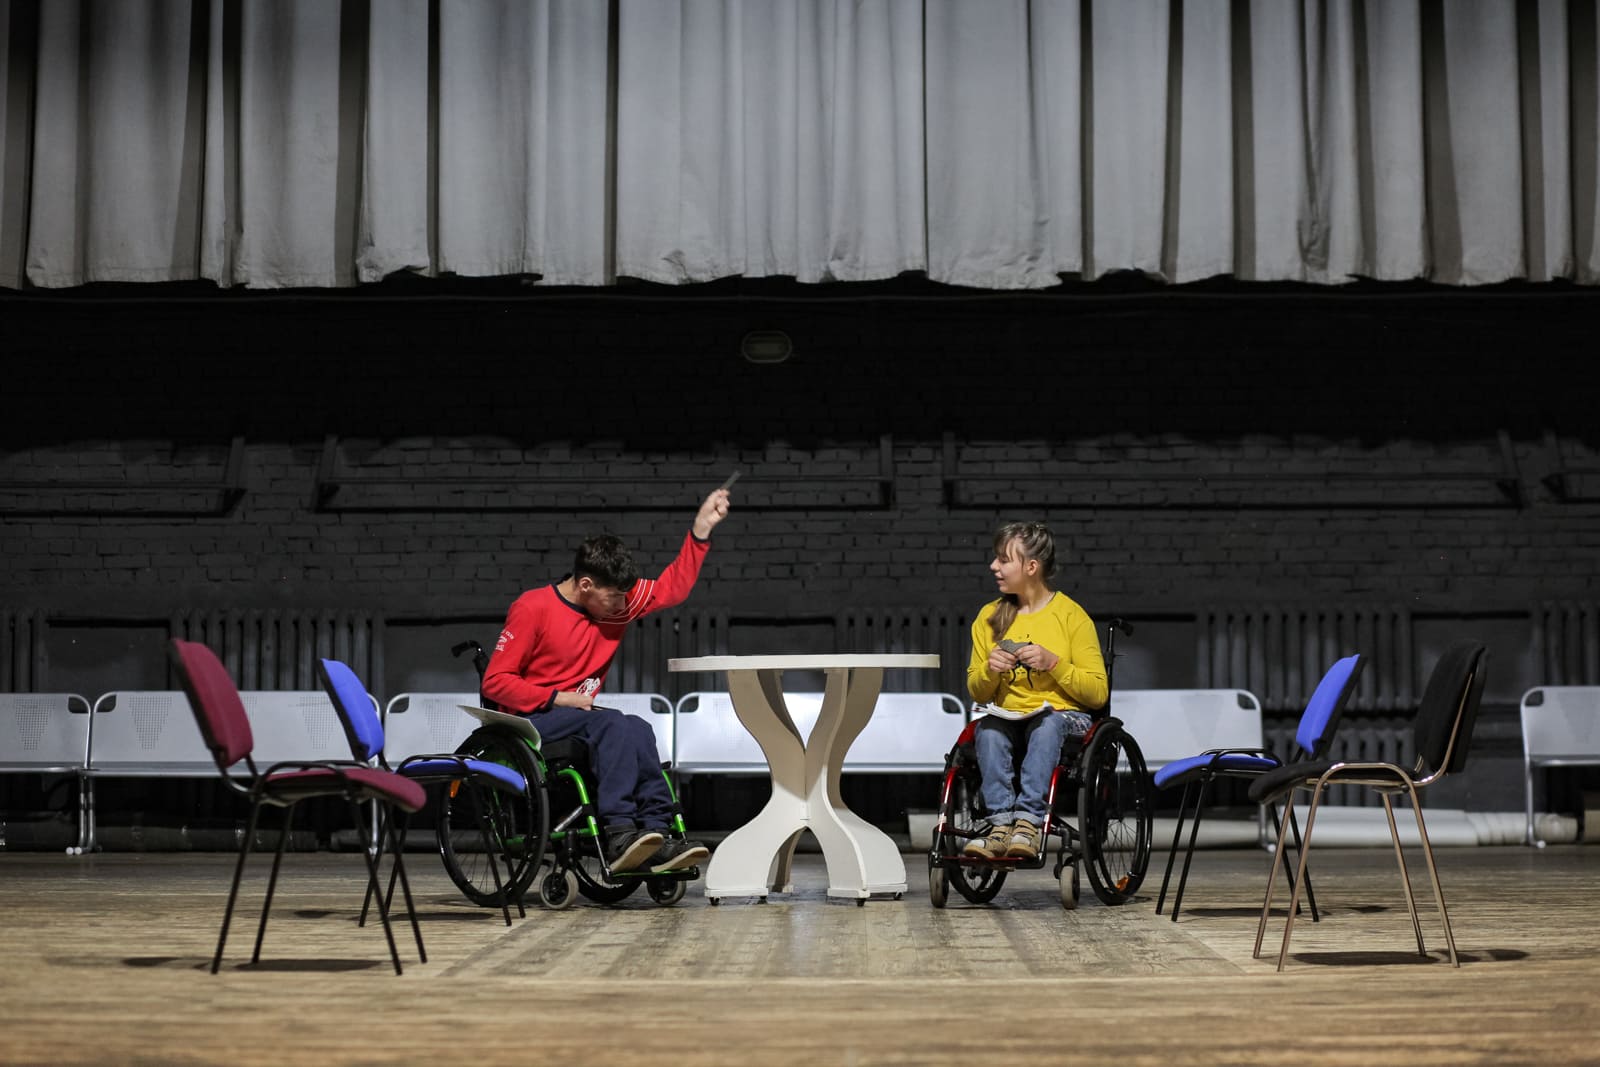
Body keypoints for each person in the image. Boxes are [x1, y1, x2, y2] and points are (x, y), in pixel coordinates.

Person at [482, 487, 731, 874]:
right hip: (530, 720)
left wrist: (700, 531)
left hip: (580, 718)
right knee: (612, 722)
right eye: (614, 597)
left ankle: (657, 832)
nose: (623, 605)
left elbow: (673, 588)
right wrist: (559, 697)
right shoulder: (533, 607)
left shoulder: (617, 603)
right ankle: (619, 833)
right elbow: (495, 683)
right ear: (586, 585)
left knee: (638, 727)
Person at [962, 521, 1108, 861]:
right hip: (1008, 716)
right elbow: (977, 692)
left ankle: (1028, 823)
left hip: (1064, 718)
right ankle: (1000, 826)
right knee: (988, 729)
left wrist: (1053, 663)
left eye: (1003, 560)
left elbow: (1097, 693)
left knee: (1047, 724)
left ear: (1031, 567)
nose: (993, 566)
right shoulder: (989, 617)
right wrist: (990, 669)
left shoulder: (1071, 616)